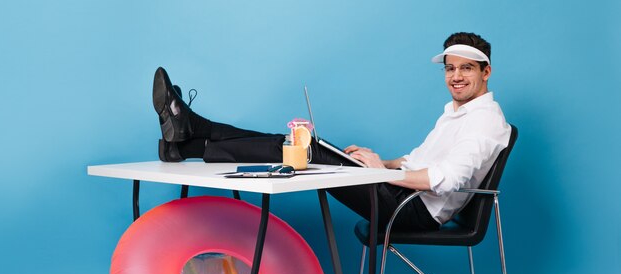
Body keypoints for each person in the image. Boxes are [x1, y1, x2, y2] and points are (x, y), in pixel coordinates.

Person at [152, 32, 511, 231]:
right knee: (300, 145)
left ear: (486, 72)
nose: (456, 77)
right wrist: (380, 162)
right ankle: (185, 143)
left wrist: (376, 171)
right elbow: (417, 160)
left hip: (413, 211)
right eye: (450, 69)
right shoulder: (456, 113)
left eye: (466, 69)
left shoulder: (484, 122)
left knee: (303, 147)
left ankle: (191, 135)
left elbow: (444, 179)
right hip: (401, 194)